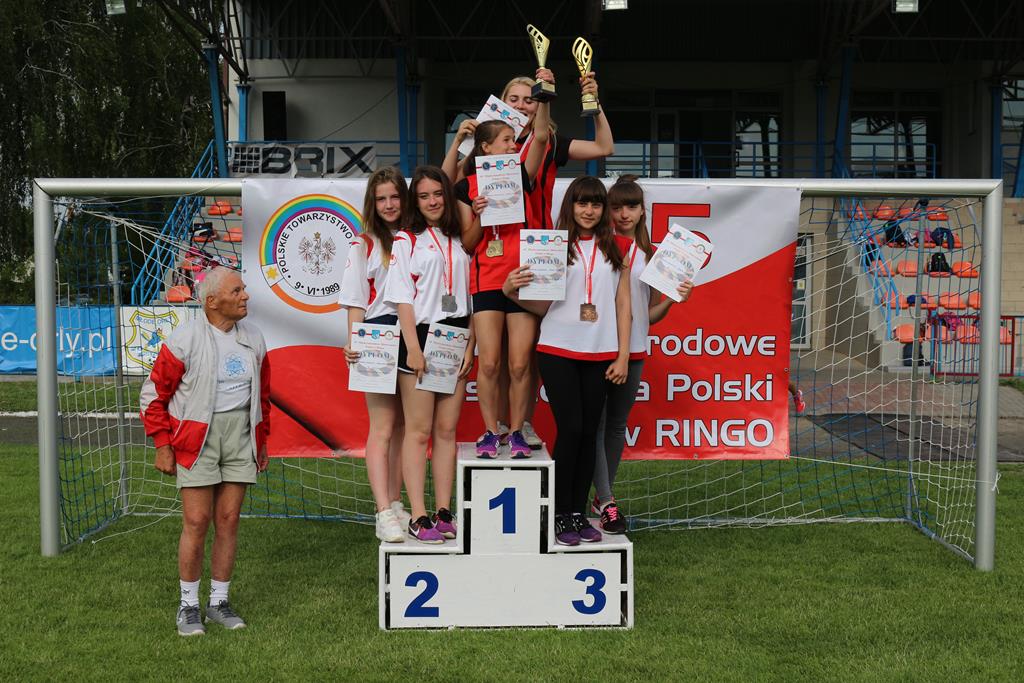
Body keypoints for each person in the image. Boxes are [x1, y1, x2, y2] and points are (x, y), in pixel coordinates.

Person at [140, 266, 271, 636]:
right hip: (197, 438)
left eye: (244, 289)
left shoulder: (254, 338)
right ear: (212, 301)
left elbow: (264, 396)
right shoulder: (184, 339)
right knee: (197, 521)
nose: (245, 296)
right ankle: (188, 606)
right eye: (236, 291)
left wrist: (261, 440)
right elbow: (153, 396)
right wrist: (163, 444)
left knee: (228, 520)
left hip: (240, 436)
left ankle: (219, 602)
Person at [502, 176, 631, 546]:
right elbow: (542, 306)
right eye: (581, 203)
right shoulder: (554, 247)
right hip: (557, 349)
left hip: (601, 353)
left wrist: (623, 355)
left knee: (590, 433)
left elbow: (623, 305)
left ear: (604, 209)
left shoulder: (618, 247)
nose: (588, 211)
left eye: (595, 204)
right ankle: (559, 513)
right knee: (572, 429)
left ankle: (577, 512)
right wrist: (511, 293)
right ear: (570, 206)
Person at [591, 177, 693, 534]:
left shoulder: (655, 256)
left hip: (634, 349)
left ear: (642, 211)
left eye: (631, 206)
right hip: (597, 348)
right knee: (595, 425)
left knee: (616, 425)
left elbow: (649, 314)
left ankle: (602, 498)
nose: (624, 214)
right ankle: (607, 501)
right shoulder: (599, 247)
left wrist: (674, 300)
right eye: (617, 207)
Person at [384, 166, 475, 543]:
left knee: (446, 431)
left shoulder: (459, 238)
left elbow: (470, 295)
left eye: (438, 193)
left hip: (457, 336)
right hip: (421, 337)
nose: (433, 201)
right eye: (424, 196)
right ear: (414, 201)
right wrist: (413, 348)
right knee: (419, 431)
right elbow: (402, 298)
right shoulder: (406, 240)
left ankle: (443, 510)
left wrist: (471, 343)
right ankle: (419, 516)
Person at [456, 107, 550, 458]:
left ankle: (518, 431)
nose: (514, 146)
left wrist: (543, 98)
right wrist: (479, 215)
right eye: (507, 140)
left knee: (520, 364)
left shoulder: (522, 176)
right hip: (486, 281)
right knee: (490, 363)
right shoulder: (466, 187)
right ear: (485, 147)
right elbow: (468, 243)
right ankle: (490, 432)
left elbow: (541, 138)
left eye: (514, 140)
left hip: (523, 278)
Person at [339, 166, 412, 543]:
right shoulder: (363, 243)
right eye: (381, 198)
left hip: (414, 333)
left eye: (395, 196)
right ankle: (382, 511)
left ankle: (397, 503)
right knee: (382, 427)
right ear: (372, 203)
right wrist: (354, 341)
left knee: (404, 428)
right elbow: (355, 300)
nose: (389, 205)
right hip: (378, 335)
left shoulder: (417, 238)